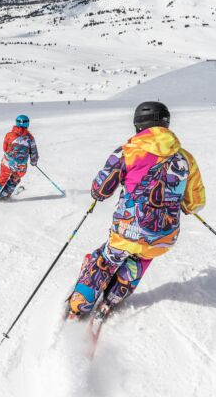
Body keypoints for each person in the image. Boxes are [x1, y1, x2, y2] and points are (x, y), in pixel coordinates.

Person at [66, 101, 205, 320]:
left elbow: (101, 188)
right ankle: (112, 299)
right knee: (140, 259)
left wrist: (97, 195)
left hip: (128, 228)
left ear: (139, 125)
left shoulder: (127, 152)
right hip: (164, 235)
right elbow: (194, 202)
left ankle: (80, 303)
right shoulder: (185, 158)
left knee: (106, 259)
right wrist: (185, 205)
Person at [0, 115, 39, 202]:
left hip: (7, 163)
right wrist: (34, 161)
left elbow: (4, 148)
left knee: (2, 177)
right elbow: (34, 152)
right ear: (27, 124)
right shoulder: (30, 138)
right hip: (21, 166)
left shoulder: (9, 135)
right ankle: (4, 197)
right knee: (15, 178)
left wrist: (10, 157)